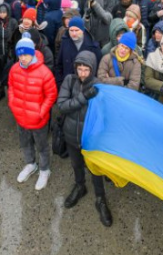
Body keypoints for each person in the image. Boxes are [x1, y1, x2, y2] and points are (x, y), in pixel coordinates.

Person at [57, 51, 113, 227]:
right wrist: (83, 97)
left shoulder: (98, 86)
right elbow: (62, 105)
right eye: (79, 69)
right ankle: (80, 186)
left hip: (91, 139)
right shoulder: (70, 80)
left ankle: (100, 198)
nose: (82, 73)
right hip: (71, 134)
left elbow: (104, 116)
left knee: (95, 170)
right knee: (76, 165)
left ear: (92, 69)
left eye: (86, 70)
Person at [8, 35, 58, 191]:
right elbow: (11, 88)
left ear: (33, 53)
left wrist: (41, 113)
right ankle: (30, 164)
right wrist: (13, 105)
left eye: (26, 54)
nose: (22, 58)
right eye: (20, 55)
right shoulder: (14, 69)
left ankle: (44, 170)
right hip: (21, 118)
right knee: (25, 143)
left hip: (38, 120)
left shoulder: (44, 72)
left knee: (42, 146)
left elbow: (51, 95)